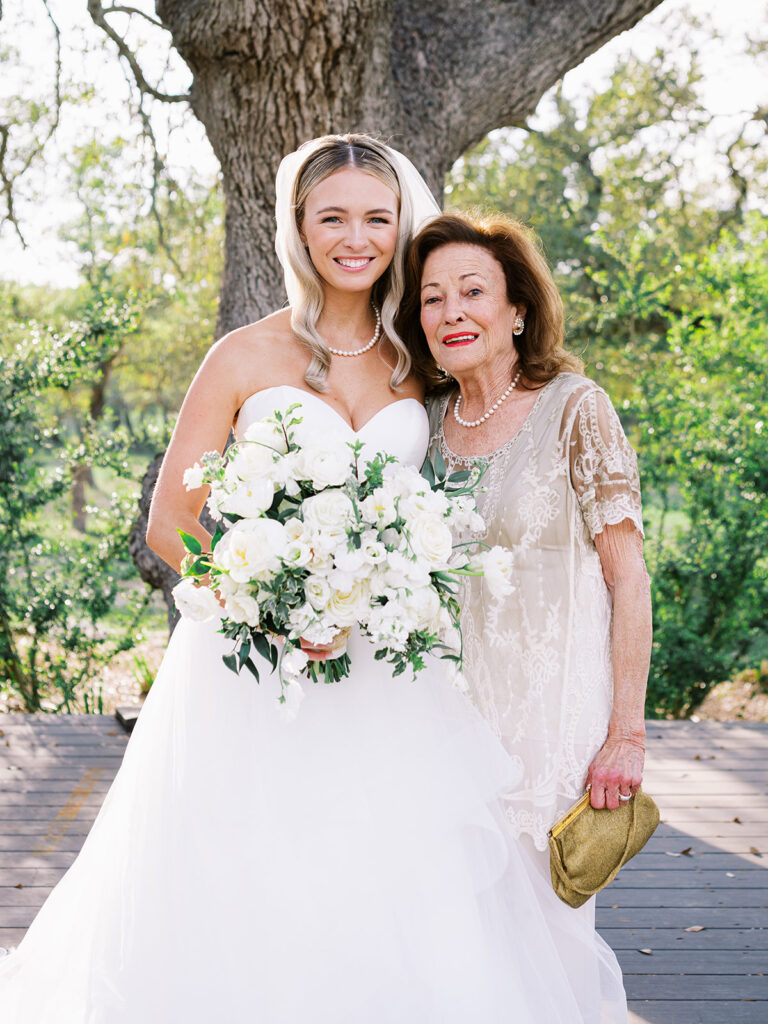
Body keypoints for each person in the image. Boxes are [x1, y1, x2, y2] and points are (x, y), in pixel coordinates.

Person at [0, 137, 621, 1023]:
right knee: (247, 869)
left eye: (377, 217)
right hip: (251, 671)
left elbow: (480, 448)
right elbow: (171, 523)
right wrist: (268, 606)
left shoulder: (419, 361)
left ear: (399, 223)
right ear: (300, 228)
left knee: (385, 878)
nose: (356, 237)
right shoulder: (241, 357)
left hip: (384, 672)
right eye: (334, 217)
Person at [399, 210, 653, 1022]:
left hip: (553, 725)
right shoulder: (426, 427)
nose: (452, 312)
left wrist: (628, 733)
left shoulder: (577, 408)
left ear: (517, 309)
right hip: (446, 724)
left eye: (473, 291)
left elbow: (629, 578)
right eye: (433, 299)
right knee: (456, 940)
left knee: (547, 944)